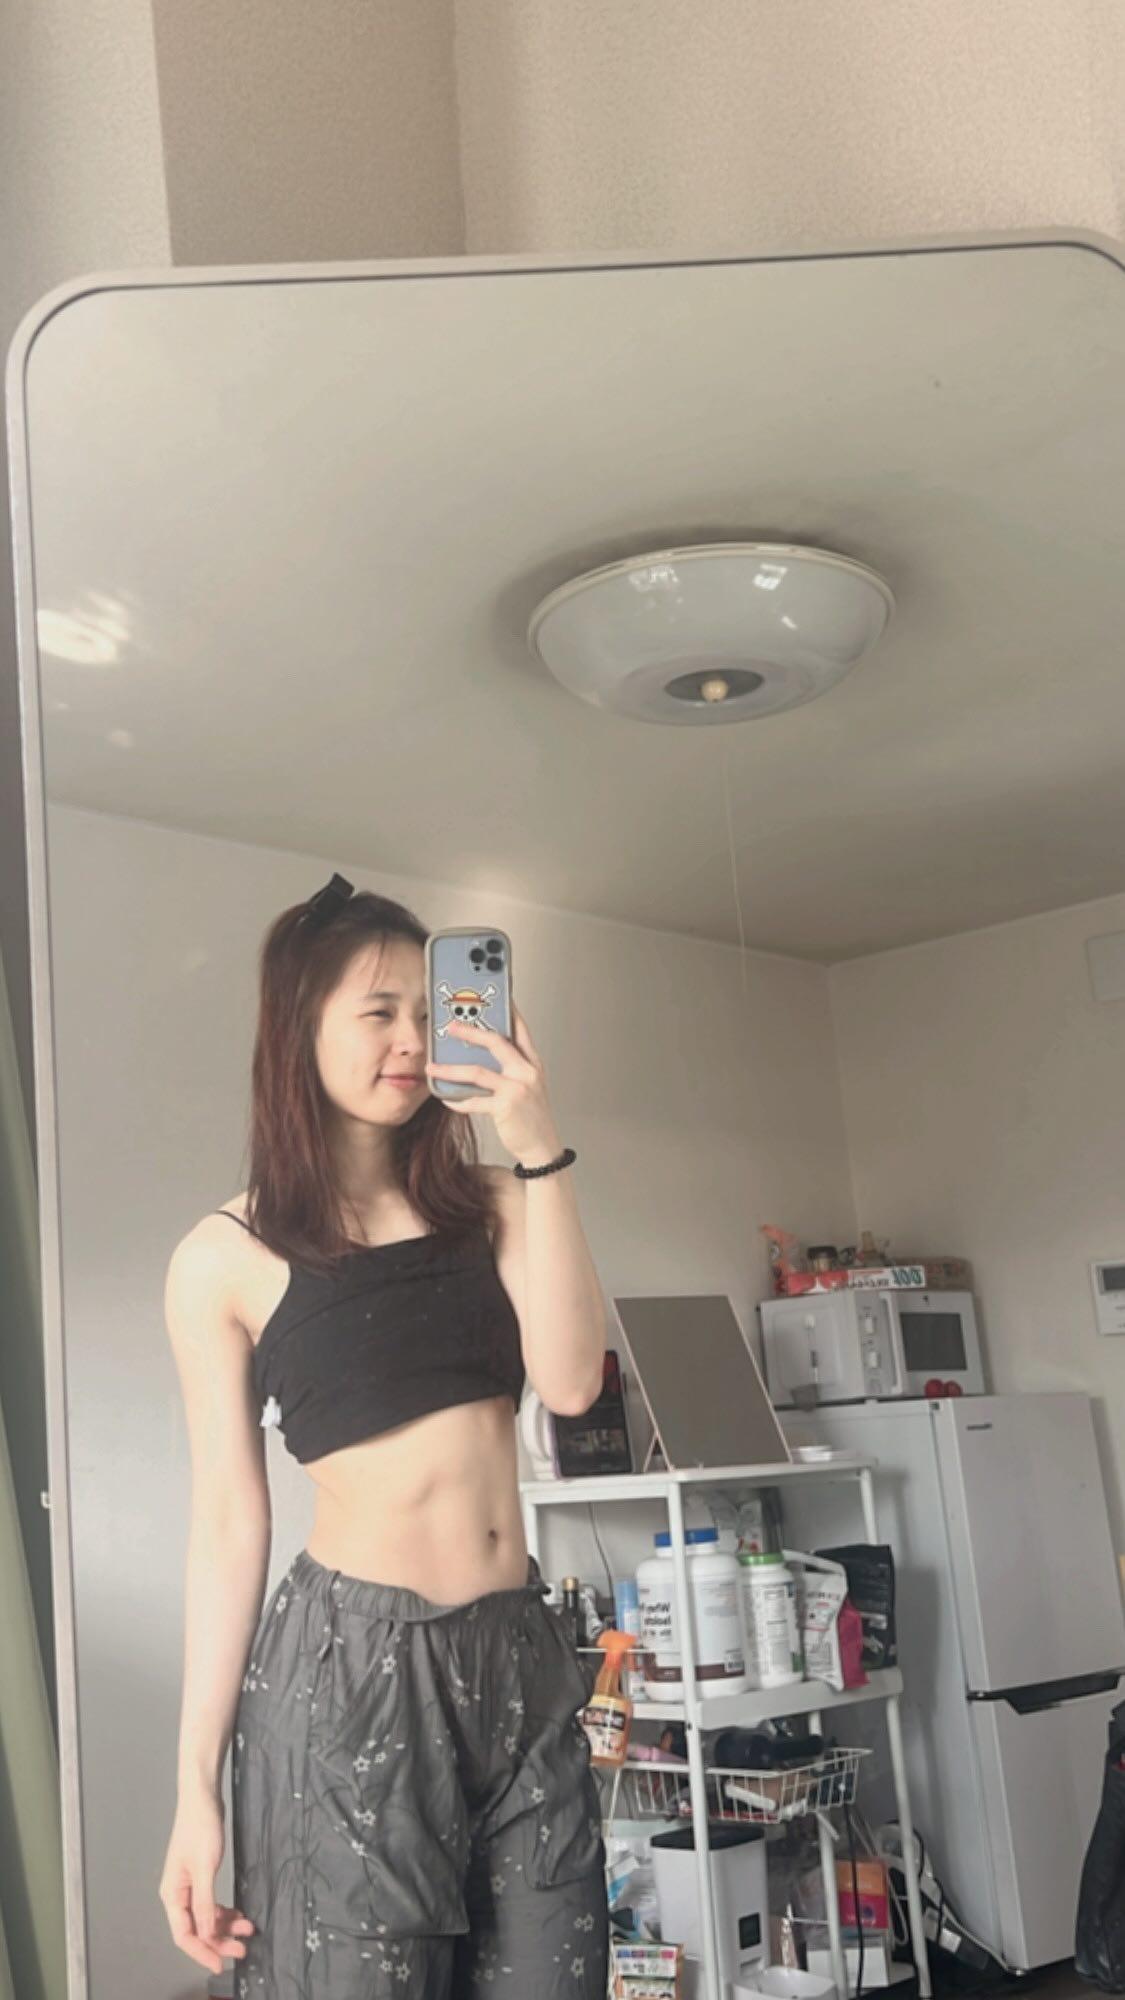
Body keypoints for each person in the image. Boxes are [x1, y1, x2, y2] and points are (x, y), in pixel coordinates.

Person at [157, 877, 610, 1998]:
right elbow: (227, 1524)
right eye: (378, 1012)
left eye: (428, 1009)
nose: (414, 1039)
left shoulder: (498, 1201)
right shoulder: (225, 1257)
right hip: (351, 1672)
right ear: (298, 1030)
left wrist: (539, 1143)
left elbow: (572, 1382)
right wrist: (195, 1786)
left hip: (520, 1654)